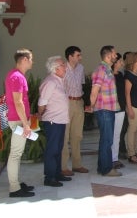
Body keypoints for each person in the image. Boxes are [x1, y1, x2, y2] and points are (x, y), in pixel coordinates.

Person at [5, 48, 36, 197]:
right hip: (18, 119)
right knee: (16, 154)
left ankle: (16, 183)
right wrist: (26, 124)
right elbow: (18, 102)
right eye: (31, 59)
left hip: (17, 118)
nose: (32, 62)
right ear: (24, 60)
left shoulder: (14, 75)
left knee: (17, 153)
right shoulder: (17, 77)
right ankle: (14, 188)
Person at [38, 56, 72, 187]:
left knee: (58, 148)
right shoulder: (50, 82)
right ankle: (50, 177)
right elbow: (42, 102)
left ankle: (57, 174)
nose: (65, 67)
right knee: (52, 149)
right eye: (63, 65)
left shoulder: (59, 80)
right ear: (56, 68)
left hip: (60, 120)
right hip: (53, 121)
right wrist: (40, 114)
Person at [89, 45, 122, 177]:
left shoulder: (107, 69)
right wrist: (91, 106)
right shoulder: (101, 70)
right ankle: (107, 169)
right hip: (104, 109)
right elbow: (94, 90)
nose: (116, 55)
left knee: (106, 140)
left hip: (109, 109)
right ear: (108, 55)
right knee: (107, 140)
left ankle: (102, 167)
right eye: (114, 53)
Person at [61, 45, 89, 176]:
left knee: (77, 135)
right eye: (78, 55)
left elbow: (82, 85)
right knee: (65, 136)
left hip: (79, 102)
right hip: (66, 103)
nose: (80, 57)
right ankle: (63, 167)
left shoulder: (81, 68)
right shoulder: (62, 69)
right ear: (70, 56)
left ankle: (77, 165)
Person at [111, 53, 126, 169]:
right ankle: (108, 158)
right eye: (120, 61)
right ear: (115, 63)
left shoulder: (120, 75)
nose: (122, 63)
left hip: (121, 108)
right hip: (110, 108)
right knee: (109, 135)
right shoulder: (108, 75)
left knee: (117, 135)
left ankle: (114, 158)